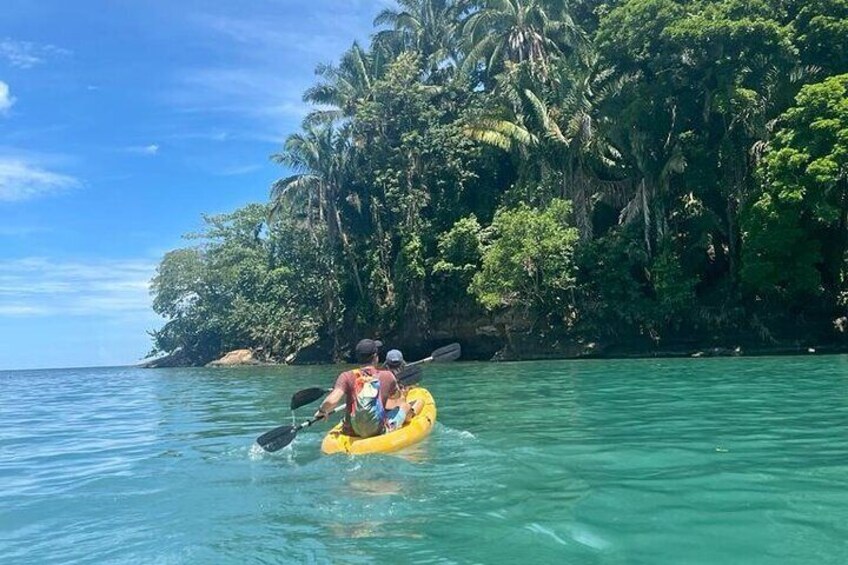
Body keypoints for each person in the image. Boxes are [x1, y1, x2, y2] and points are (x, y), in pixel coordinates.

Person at [314, 339, 419, 437]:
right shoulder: (387, 376)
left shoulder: (346, 376)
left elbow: (332, 400)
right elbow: (397, 399)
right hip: (378, 431)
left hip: (351, 431)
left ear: (358, 357)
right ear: (376, 357)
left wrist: (322, 411)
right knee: (405, 406)